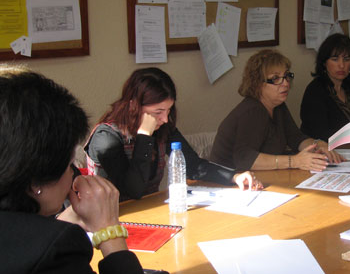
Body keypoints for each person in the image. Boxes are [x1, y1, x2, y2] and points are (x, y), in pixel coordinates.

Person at [0, 66, 161, 274]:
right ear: (35, 180)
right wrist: (109, 229)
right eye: (67, 163)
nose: (73, 172)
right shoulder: (48, 256)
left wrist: (60, 224)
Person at [85, 68, 260, 201]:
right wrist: (144, 136)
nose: (165, 119)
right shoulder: (106, 138)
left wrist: (234, 176)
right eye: (158, 112)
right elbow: (133, 190)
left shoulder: (161, 128)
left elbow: (194, 166)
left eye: (168, 110)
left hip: (149, 212)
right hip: (112, 220)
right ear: (133, 106)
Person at [210, 49, 343, 171]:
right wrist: (295, 161)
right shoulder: (252, 111)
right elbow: (245, 159)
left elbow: (296, 138)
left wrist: (318, 144)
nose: (285, 83)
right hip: (228, 182)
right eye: (275, 78)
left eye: (286, 76)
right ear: (257, 83)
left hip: (260, 177)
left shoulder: (278, 106)